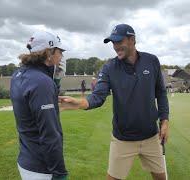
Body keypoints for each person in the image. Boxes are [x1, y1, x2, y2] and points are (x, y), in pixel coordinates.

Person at [59, 24, 169, 180]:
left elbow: (161, 93)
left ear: (132, 40)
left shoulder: (151, 61)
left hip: (151, 137)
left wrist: (165, 121)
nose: (115, 46)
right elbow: (98, 96)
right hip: (123, 139)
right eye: (113, 43)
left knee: (160, 178)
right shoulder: (109, 67)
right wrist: (79, 103)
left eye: (119, 42)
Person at [10, 30, 68, 180]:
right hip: (41, 167)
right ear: (49, 53)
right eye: (59, 51)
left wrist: (55, 80)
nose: (61, 56)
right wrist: (60, 173)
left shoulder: (18, 75)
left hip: (26, 158)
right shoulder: (41, 82)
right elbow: (49, 133)